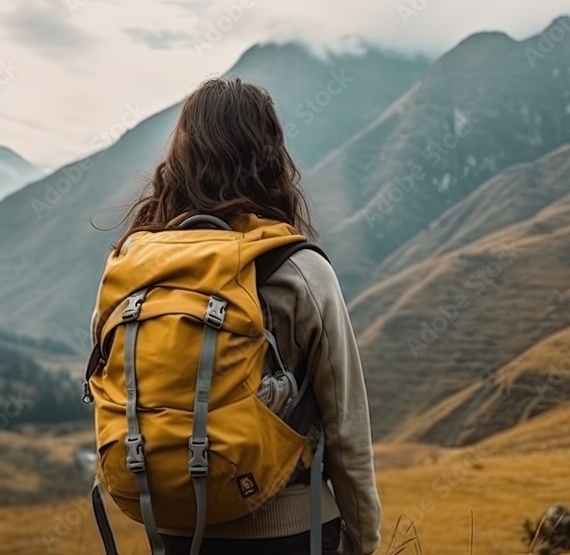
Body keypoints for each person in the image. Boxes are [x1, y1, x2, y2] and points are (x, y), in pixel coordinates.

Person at [113, 77, 382, 555]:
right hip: (291, 532)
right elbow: (347, 432)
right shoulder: (298, 270)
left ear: (180, 159)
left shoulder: (132, 266)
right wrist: (364, 543)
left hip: (174, 528)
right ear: (272, 159)